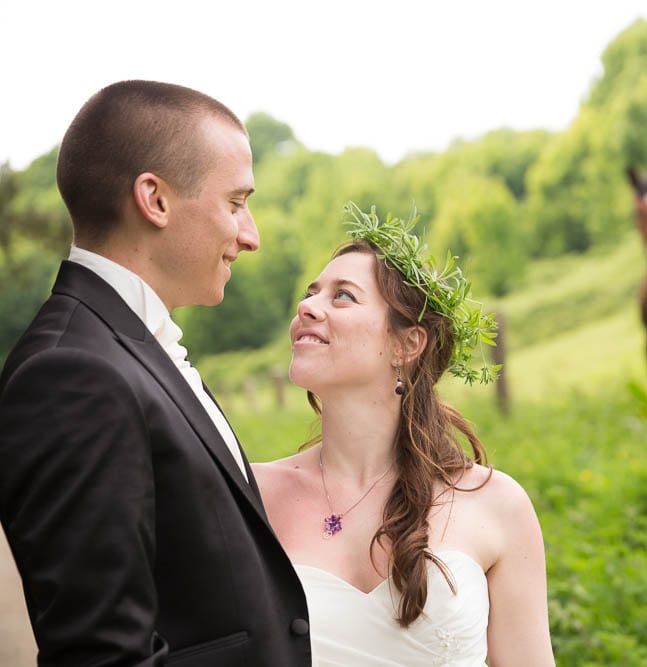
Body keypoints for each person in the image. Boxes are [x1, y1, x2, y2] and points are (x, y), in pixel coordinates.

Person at [0, 81, 311, 666]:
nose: (251, 236)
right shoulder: (73, 374)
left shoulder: (128, 350)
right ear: (155, 200)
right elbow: (101, 655)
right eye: (236, 202)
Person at [253, 205, 556, 666]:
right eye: (310, 293)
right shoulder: (251, 494)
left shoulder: (497, 505)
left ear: (406, 344)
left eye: (343, 297)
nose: (306, 306)